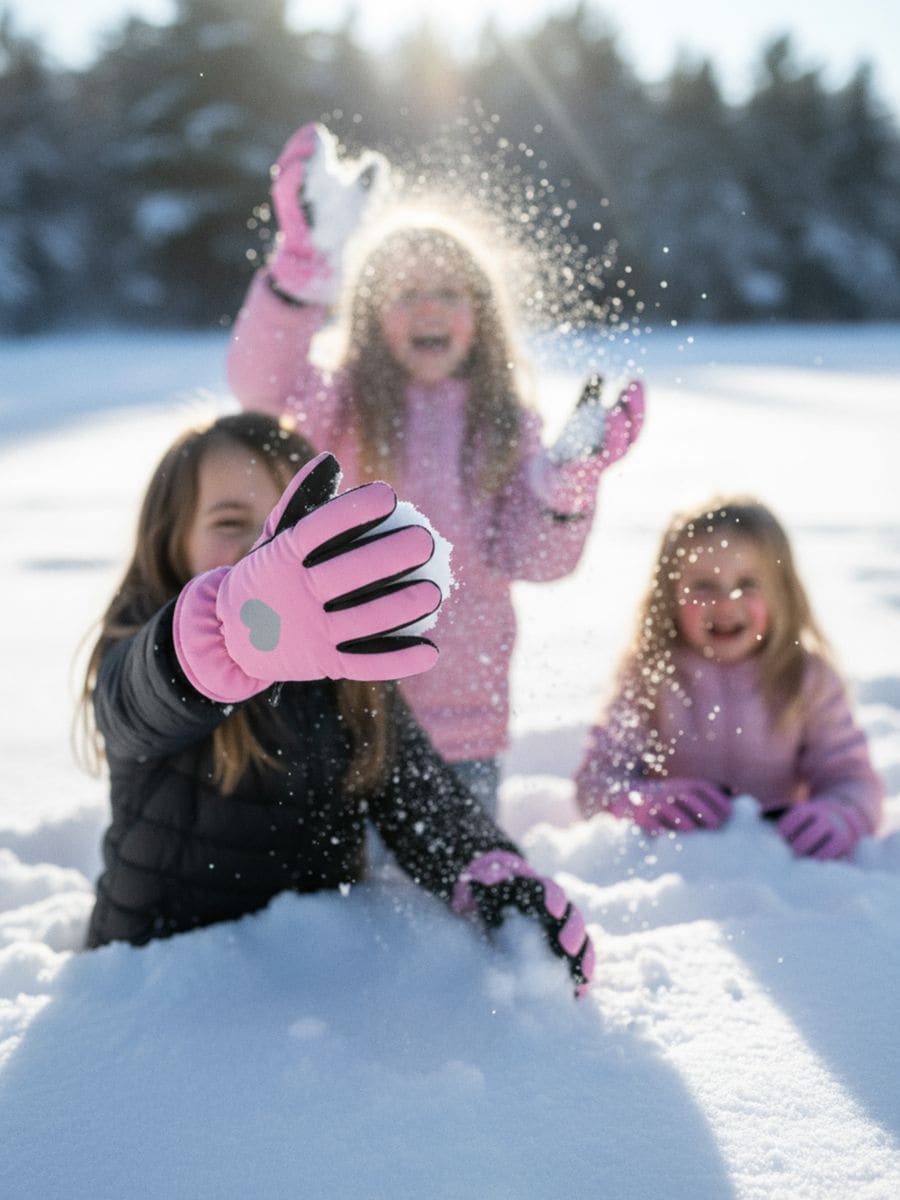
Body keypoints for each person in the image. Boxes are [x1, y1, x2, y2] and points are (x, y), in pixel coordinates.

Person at [78, 412, 594, 995]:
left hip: (306, 993)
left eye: (286, 526)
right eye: (230, 521)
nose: (261, 547)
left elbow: (422, 798)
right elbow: (132, 705)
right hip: (151, 991)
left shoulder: (348, 677)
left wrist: (491, 875)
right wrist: (222, 638)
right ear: (170, 541)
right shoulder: (146, 648)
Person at [226, 122, 645, 816]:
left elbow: (532, 557)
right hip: (340, 707)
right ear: (368, 316)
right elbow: (261, 386)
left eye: (449, 293)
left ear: (479, 316)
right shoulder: (340, 404)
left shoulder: (508, 423)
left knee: (459, 889)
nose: (428, 308)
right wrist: (303, 267)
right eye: (404, 293)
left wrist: (565, 488)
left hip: (462, 727)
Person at [574, 495, 883, 860]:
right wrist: (641, 803)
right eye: (703, 585)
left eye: (748, 583)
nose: (725, 602)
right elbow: (597, 780)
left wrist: (840, 815)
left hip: (782, 873)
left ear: (781, 592)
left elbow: (853, 781)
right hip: (677, 869)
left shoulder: (804, 677)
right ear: (669, 595)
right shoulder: (649, 675)